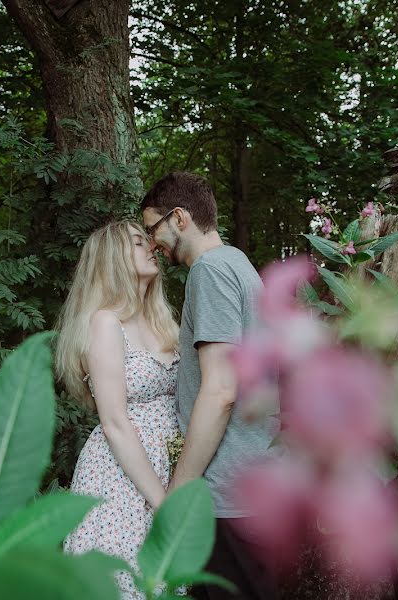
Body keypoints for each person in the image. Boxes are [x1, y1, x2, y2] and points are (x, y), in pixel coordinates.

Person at [141, 172, 280, 600]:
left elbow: (220, 391)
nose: (151, 244)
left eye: (152, 229)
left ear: (179, 217)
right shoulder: (238, 263)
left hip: (227, 495)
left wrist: (178, 493)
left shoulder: (210, 272)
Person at [56, 220, 182, 599]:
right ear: (113, 260)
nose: (152, 247)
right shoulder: (105, 323)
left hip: (165, 467)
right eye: (138, 242)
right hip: (120, 480)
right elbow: (114, 423)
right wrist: (161, 501)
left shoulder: (161, 320)